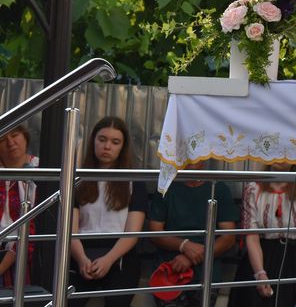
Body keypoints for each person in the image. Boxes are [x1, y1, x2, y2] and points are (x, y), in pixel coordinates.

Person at [68, 117, 146, 307]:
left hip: (120, 254)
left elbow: (132, 234)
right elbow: (70, 230)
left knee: (118, 302)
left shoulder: (134, 181)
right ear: (93, 141)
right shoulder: (77, 180)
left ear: (122, 147)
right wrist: (82, 259)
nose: (107, 146)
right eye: (102, 139)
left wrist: (108, 260)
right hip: (80, 251)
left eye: (115, 142)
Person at [229, 162, 296, 307]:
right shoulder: (253, 188)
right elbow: (252, 237)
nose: (281, 158)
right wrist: (260, 274)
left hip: (294, 261)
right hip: (261, 257)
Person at [148, 160, 238, 307]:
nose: (192, 157)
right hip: (168, 272)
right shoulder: (165, 186)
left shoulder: (218, 188)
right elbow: (154, 232)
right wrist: (184, 245)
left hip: (206, 275)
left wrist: (191, 257)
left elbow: (228, 238)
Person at [0, 124, 37, 287]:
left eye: (15, 135)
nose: (10, 143)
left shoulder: (41, 169)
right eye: (3, 139)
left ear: (25, 137)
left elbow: (32, 226)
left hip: (25, 254)